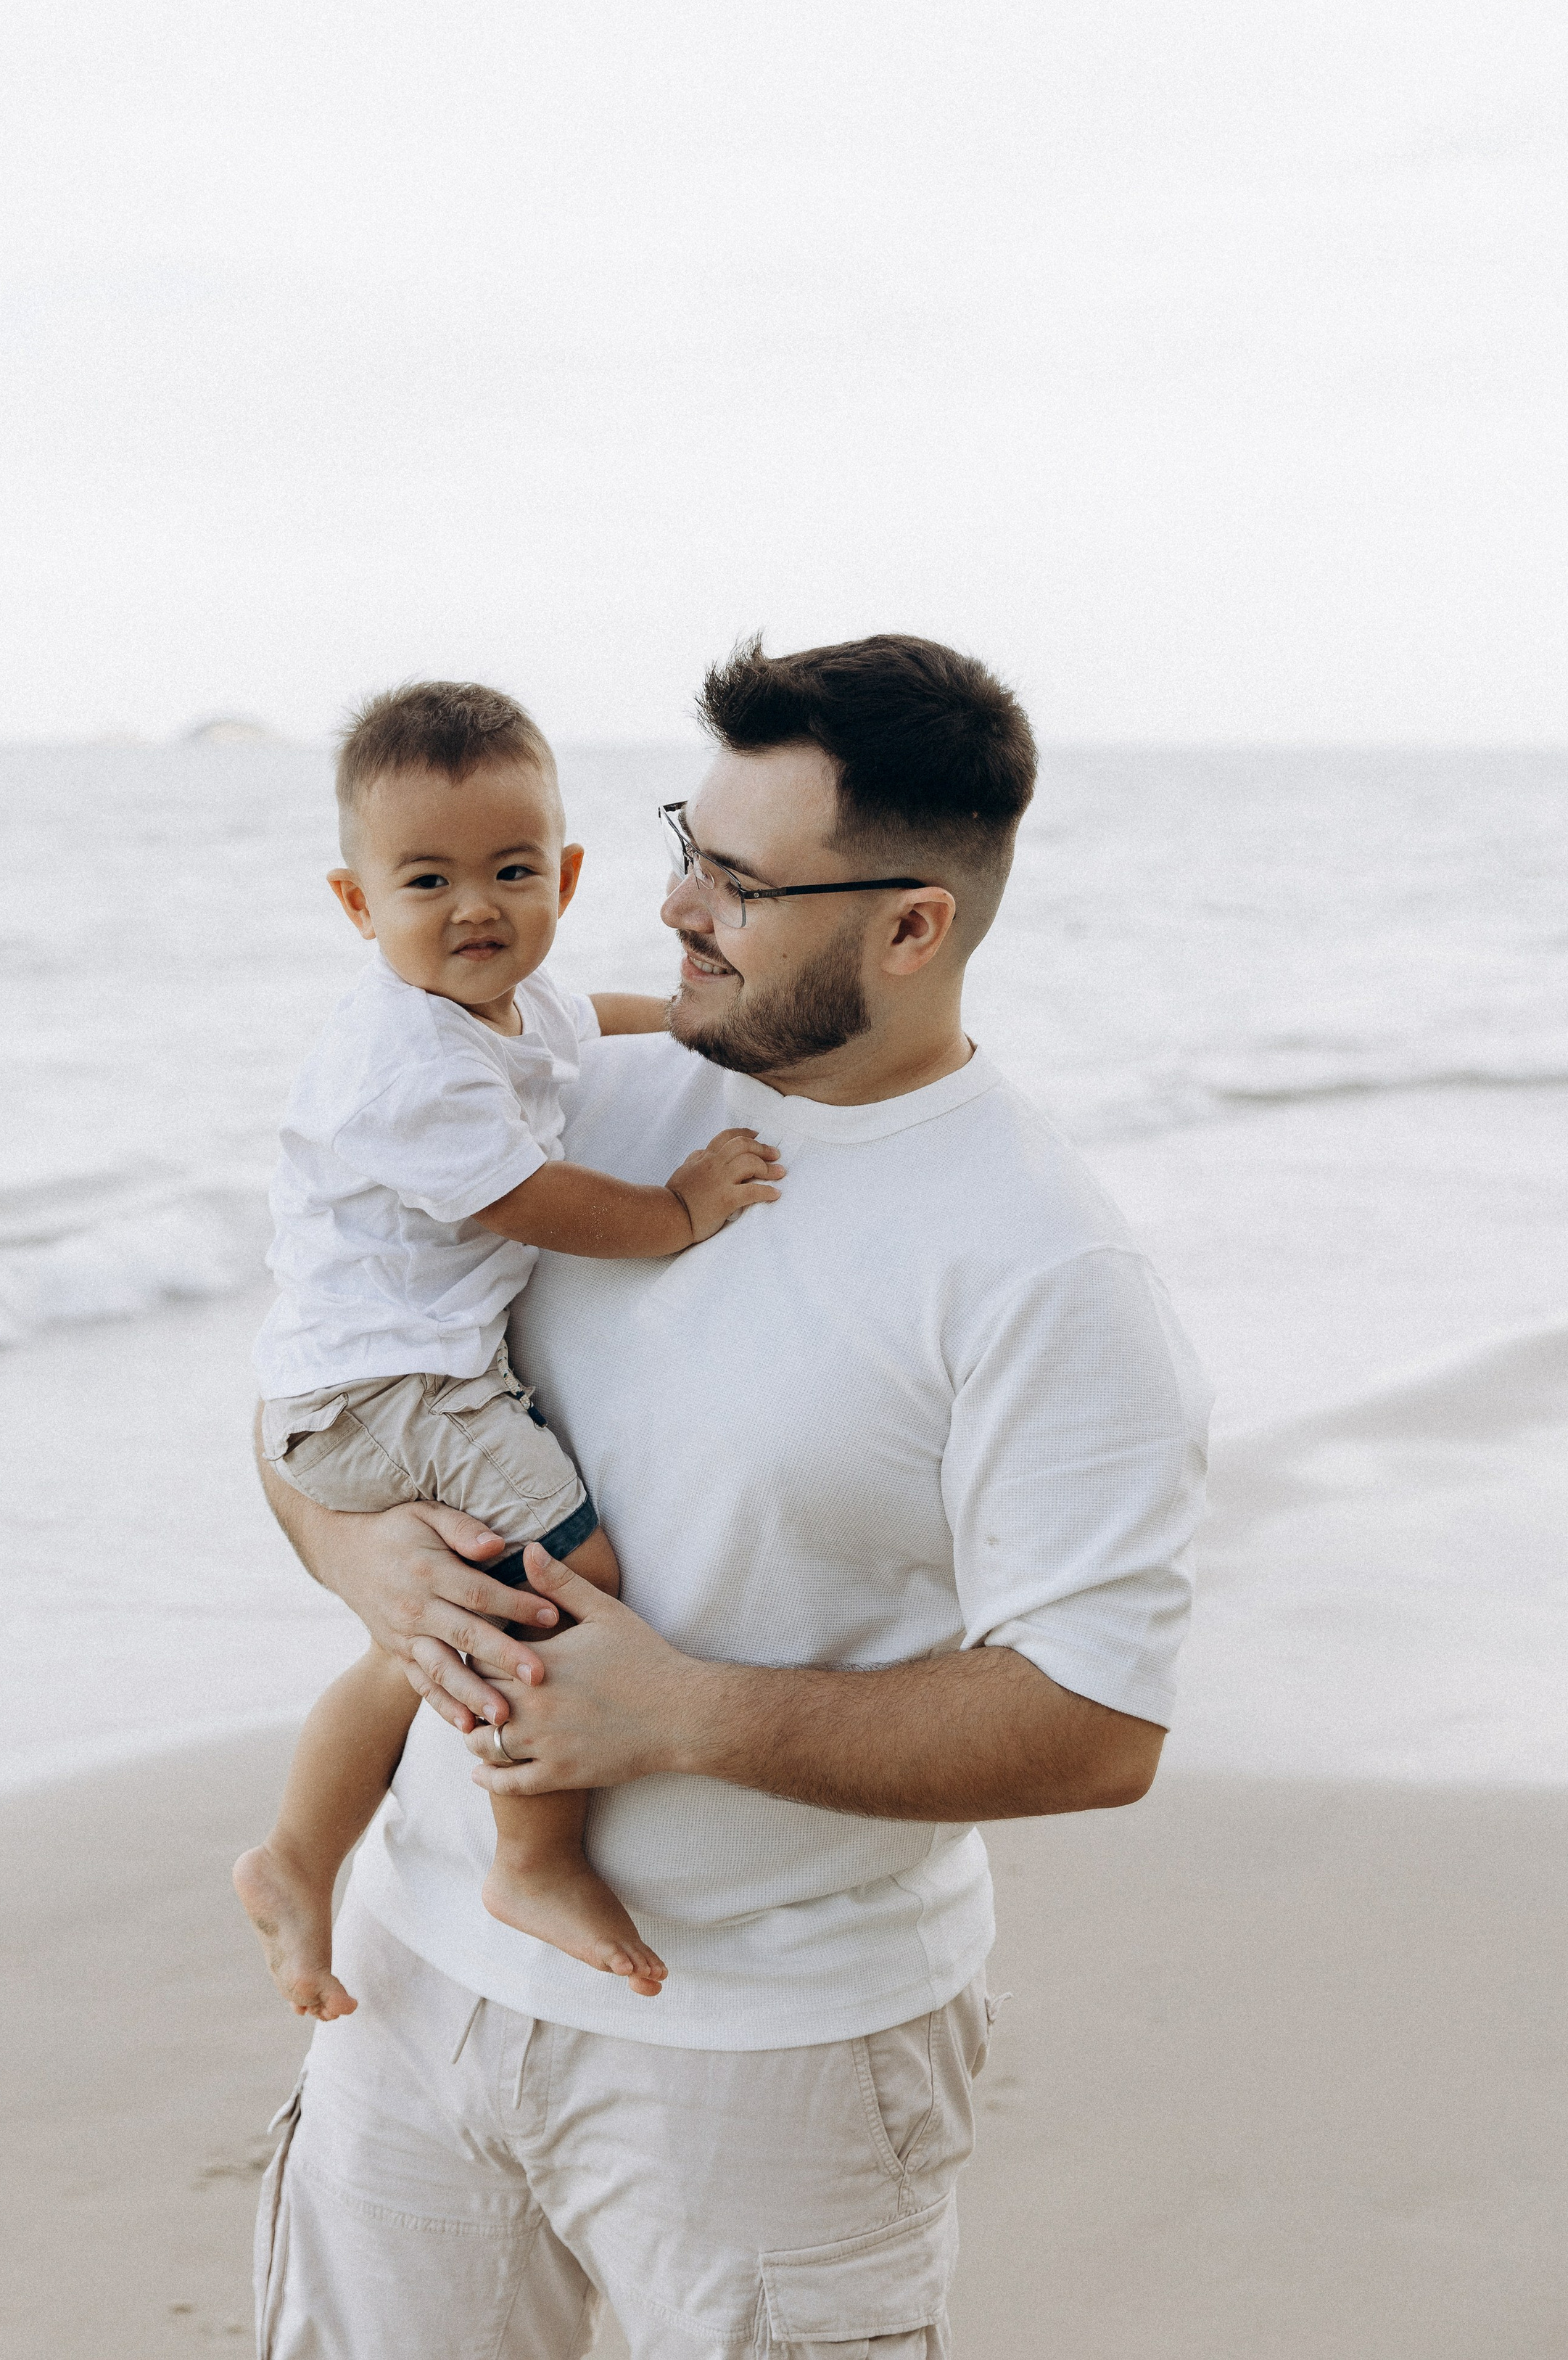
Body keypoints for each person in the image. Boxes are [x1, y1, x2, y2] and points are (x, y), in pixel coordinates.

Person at [251, 634, 1210, 2360]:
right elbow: (314, 1388)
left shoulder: (1044, 1270)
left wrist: (678, 1713)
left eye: (743, 883)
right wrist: (361, 1556)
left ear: (910, 923)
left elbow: (1093, 1726)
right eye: (687, 843)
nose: (679, 908)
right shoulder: (573, 1096)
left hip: (771, 2060)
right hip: (404, 1984)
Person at [234, 680, 783, 2019]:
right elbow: (523, 1198)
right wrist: (678, 1211)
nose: (474, 906)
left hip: (388, 1372)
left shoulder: (513, 998)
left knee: (431, 1633)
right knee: (561, 1573)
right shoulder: (403, 1058)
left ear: (568, 874)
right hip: (380, 1389)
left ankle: (299, 1855)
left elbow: (589, 1019)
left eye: (511, 870)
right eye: (427, 879)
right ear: (359, 905)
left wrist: (709, 1022)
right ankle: (532, 1857)